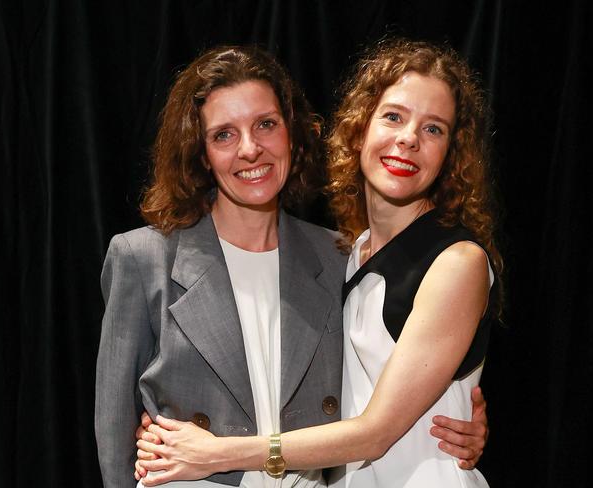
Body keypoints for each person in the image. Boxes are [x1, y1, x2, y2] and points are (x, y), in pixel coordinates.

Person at [96, 44, 490, 488]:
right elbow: (114, 434)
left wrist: (455, 409)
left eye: (266, 124)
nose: (250, 149)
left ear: (291, 133)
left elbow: (381, 414)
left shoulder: (332, 256)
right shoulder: (143, 259)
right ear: (200, 152)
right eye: (224, 134)